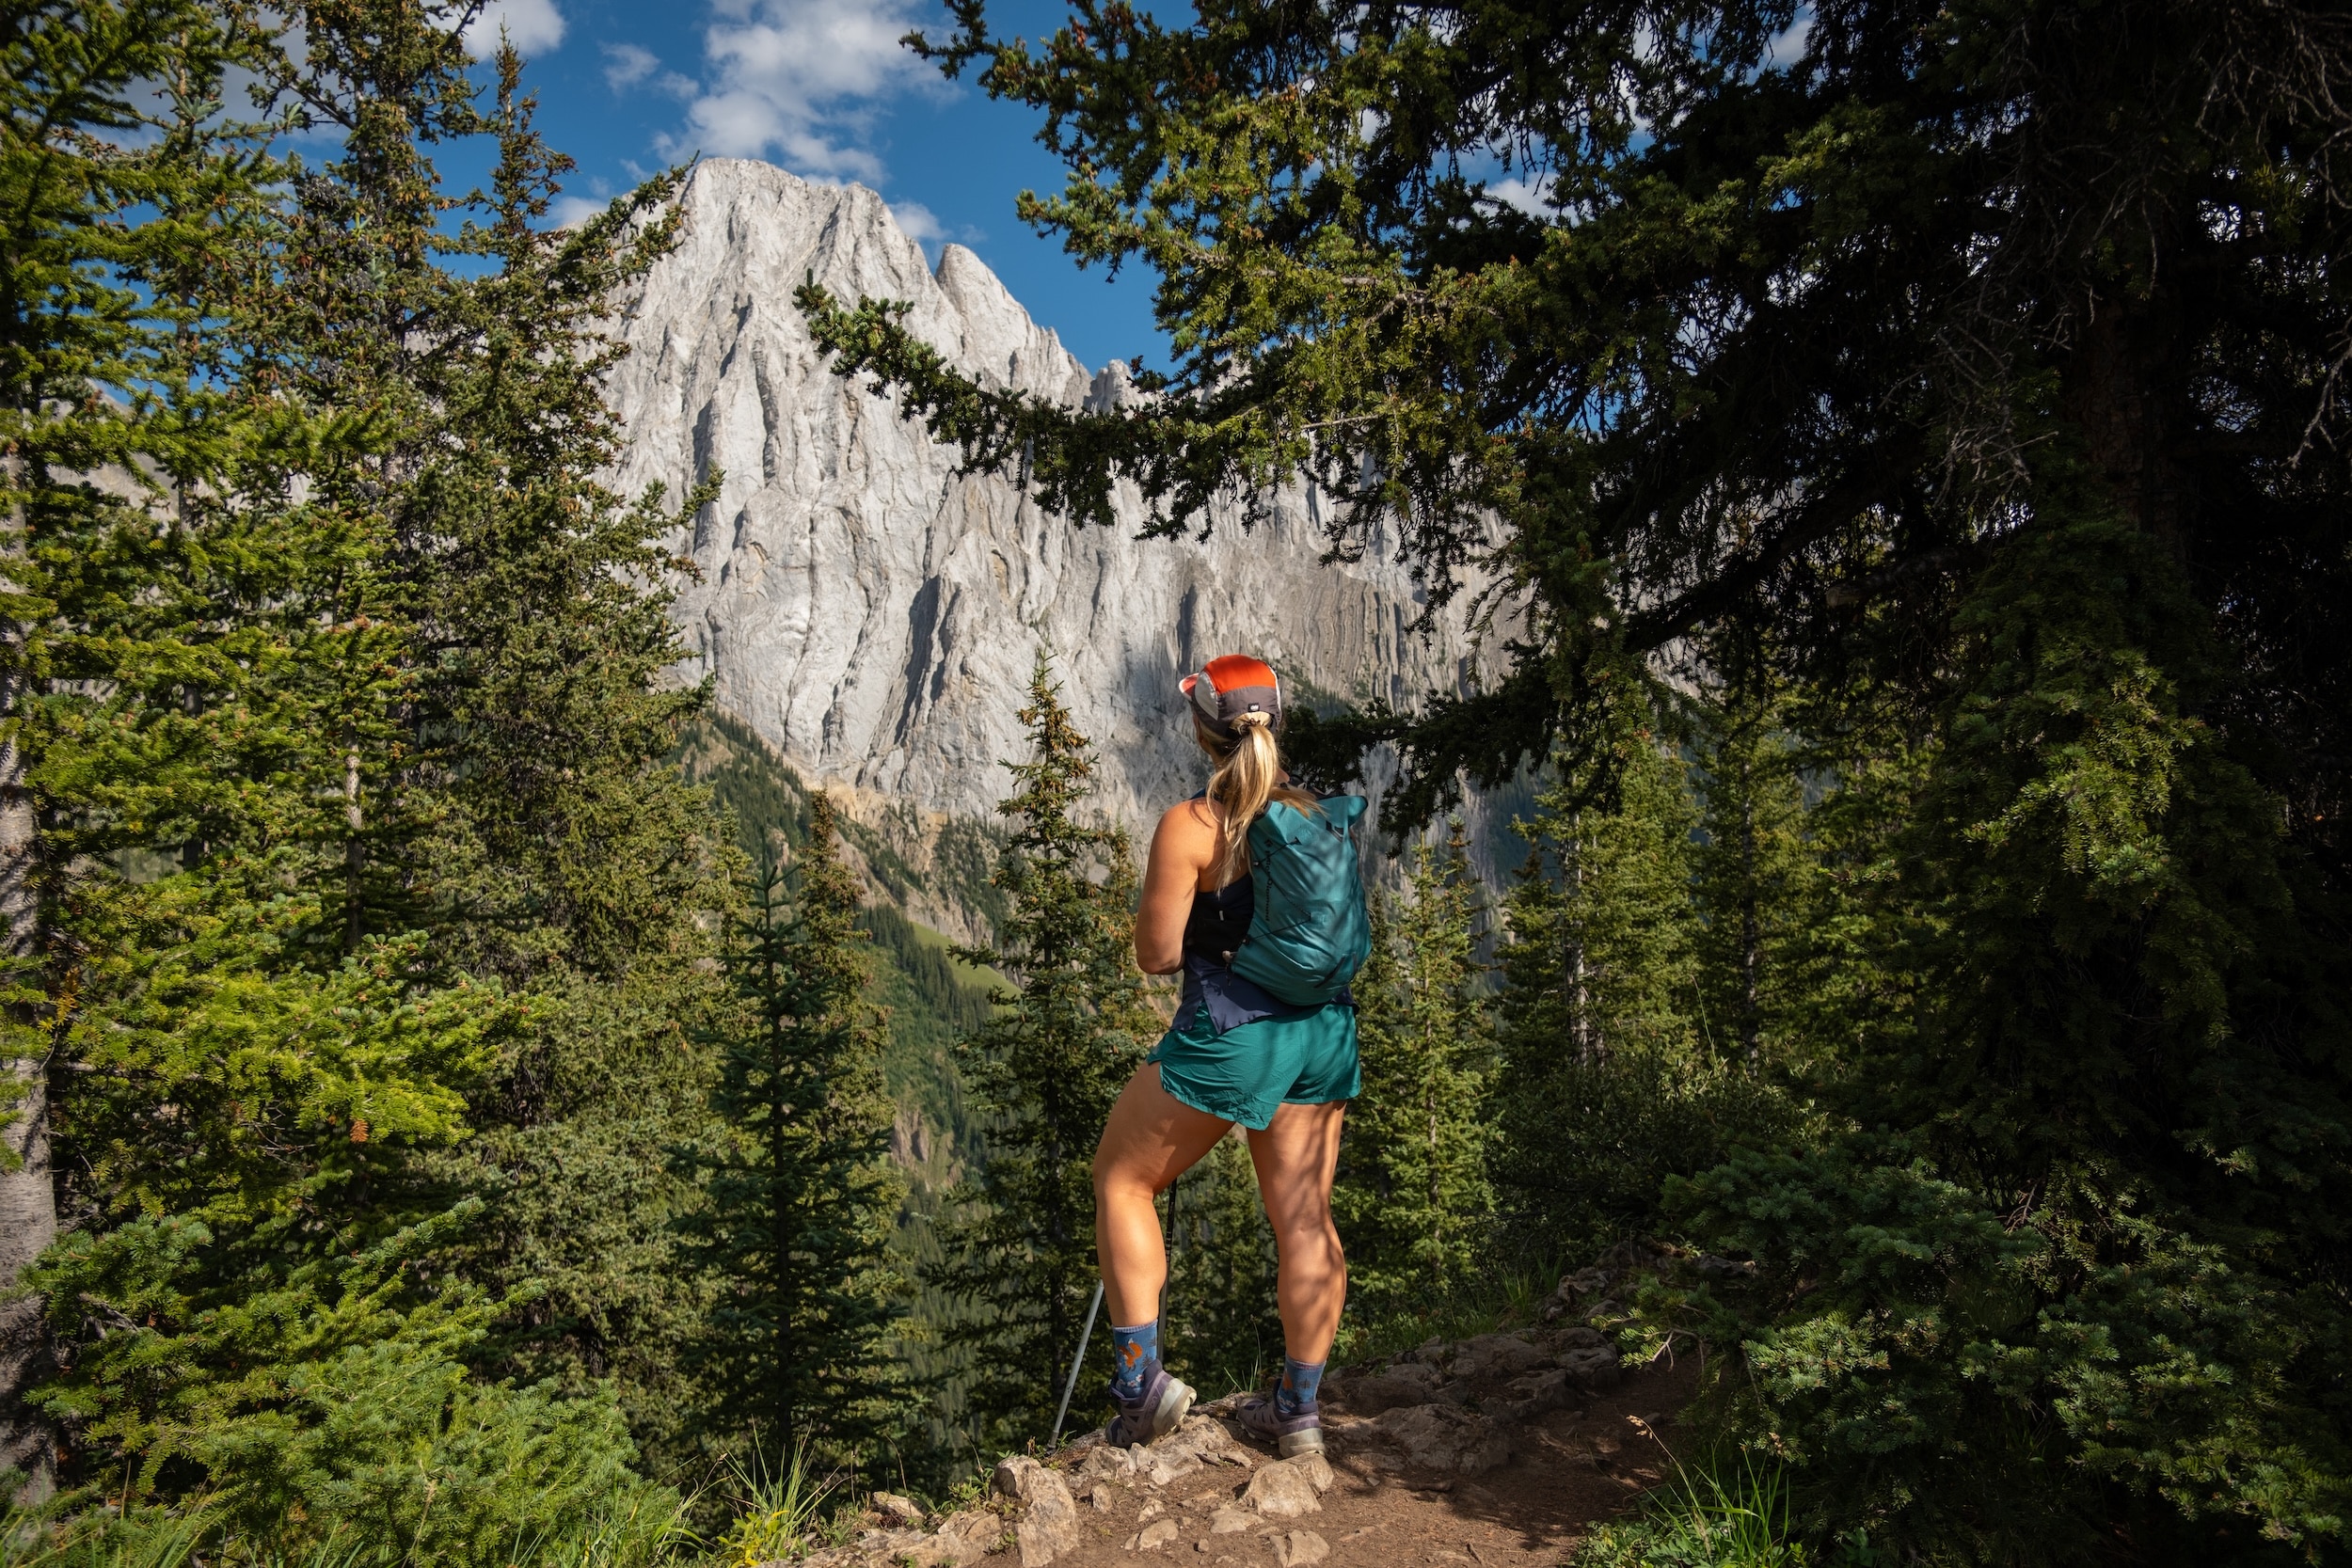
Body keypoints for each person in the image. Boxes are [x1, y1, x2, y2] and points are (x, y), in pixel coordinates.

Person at [1090, 654, 1365, 1458]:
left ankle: (1142, 1391)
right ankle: (1298, 1411)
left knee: (1123, 1175)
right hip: (1323, 1033)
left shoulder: (1194, 824)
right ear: (1277, 722)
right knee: (1305, 1218)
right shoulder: (1316, 814)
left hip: (1237, 1036)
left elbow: (1154, 953)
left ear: (1204, 730)